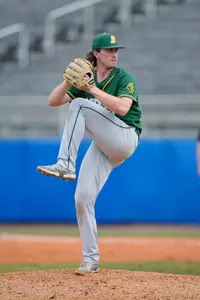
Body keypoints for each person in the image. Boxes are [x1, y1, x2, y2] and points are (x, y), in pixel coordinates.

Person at [37, 33, 142, 274]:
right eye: (109, 50)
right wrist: (66, 81)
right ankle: (90, 260)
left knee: (79, 105)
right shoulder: (86, 79)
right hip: (104, 146)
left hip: (125, 136)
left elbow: (123, 107)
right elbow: (53, 101)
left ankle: (65, 163)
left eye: (116, 50)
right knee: (82, 198)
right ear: (96, 53)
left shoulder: (123, 77)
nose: (115, 54)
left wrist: (91, 89)